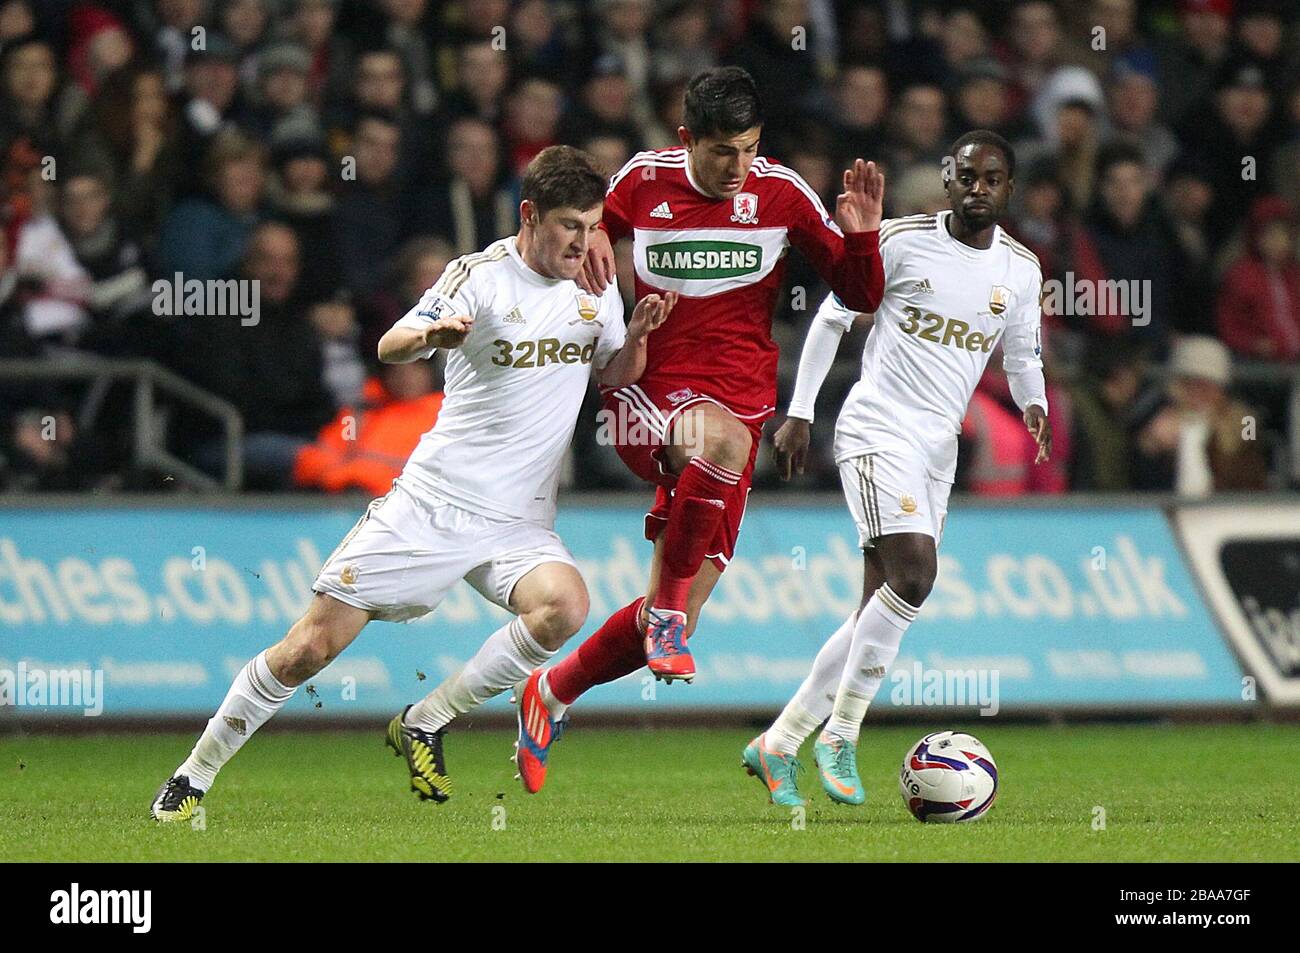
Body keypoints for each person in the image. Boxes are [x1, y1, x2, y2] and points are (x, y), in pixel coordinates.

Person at [149, 145, 675, 819]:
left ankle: (425, 718)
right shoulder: (479, 277)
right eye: (570, 224)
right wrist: (436, 329)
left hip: (519, 521)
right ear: (529, 215)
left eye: (593, 223)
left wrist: (633, 339)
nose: (584, 238)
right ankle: (194, 773)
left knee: (564, 607)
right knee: (310, 646)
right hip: (435, 504)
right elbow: (392, 344)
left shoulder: (595, 289)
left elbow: (612, 375)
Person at [514, 66, 885, 796]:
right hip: (645, 393)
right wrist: (585, 239)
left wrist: (863, 239)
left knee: (676, 599)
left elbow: (860, 293)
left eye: (749, 148)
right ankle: (665, 623)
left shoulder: (780, 193)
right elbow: (569, 234)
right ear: (686, 139)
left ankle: (552, 691)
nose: (738, 167)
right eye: (721, 151)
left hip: (741, 412)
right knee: (714, 456)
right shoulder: (641, 182)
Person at [751, 130, 1051, 806]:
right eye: (966, 177)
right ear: (949, 183)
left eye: (992, 178)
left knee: (876, 608)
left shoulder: (1021, 269)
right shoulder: (899, 240)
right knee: (915, 575)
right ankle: (841, 733)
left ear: (1010, 188)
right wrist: (799, 411)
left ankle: (779, 739)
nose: (978, 189)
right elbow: (830, 320)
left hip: (938, 446)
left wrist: (1033, 404)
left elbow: (1023, 352)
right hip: (877, 426)